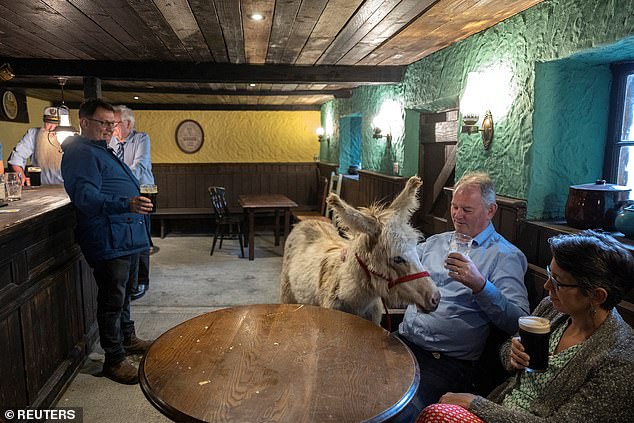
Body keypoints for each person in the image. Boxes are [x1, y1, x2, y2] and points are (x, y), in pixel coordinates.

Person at [420, 230, 634, 422]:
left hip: (502, 413)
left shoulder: (620, 358)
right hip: (501, 407)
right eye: (550, 274)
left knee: (437, 414)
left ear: (597, 295)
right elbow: (507, 352)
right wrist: (512, 354)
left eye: (557, 282)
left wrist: (476, 404)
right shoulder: (553, 309)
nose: (547, 285)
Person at [396, 172, 530, 417]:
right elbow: (397, 263)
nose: (457, 215)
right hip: (403, 341)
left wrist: (480, 285)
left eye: (467, 210)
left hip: (444, 362)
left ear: (491, 211)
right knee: (355, 377)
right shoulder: (436, 242)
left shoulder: (504, 255)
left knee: (399, 409)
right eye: (454, 207)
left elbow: (519, 321)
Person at [61, 98, 154, 385]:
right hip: (108, 237)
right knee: (112, 299)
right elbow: (85, 198)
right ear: (85, 122)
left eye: (112, 124)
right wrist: (125, 203)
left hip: (123, 236)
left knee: (124, 293)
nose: (109, 129)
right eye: (103, 123)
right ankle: (114, 359)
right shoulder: (80, 153)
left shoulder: (100, 150)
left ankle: (127, 339)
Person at [109, 105, 155, 300]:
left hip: (142, 191)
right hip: (122, 195)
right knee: (125, 238)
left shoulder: (141, 139)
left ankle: (141, 281)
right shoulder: (110, 141)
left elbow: (139, 165)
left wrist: (117, 182)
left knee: (141, 237)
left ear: (127, 123)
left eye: (115, 123)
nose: (111, 127)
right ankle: (128, 280)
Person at [8, 106, 63, 184]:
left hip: (65, 188)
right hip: (40, 188)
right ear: (44, 123)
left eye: (56, 124)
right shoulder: (33, 134)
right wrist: (20, 176)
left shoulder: (69, 136)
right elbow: (16, 157)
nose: (52, 128)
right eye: (48, 123)